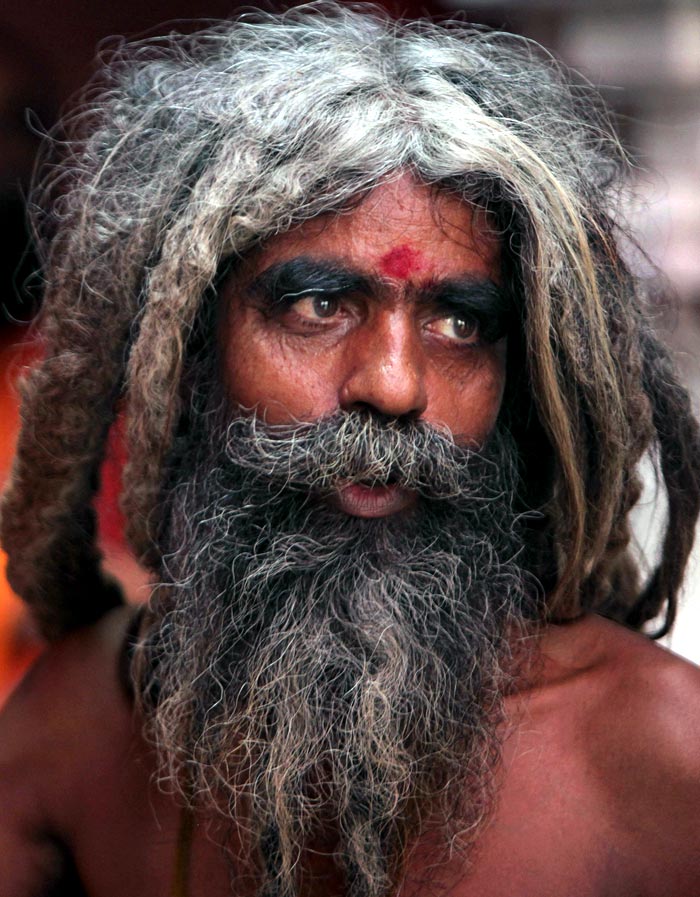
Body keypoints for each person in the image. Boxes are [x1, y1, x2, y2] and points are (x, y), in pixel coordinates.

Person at [1, 4, 699, 895]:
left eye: (460, 322)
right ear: (187, 345)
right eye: (317, 306)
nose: (395, 385)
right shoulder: (81, 726)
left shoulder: (662, 763)